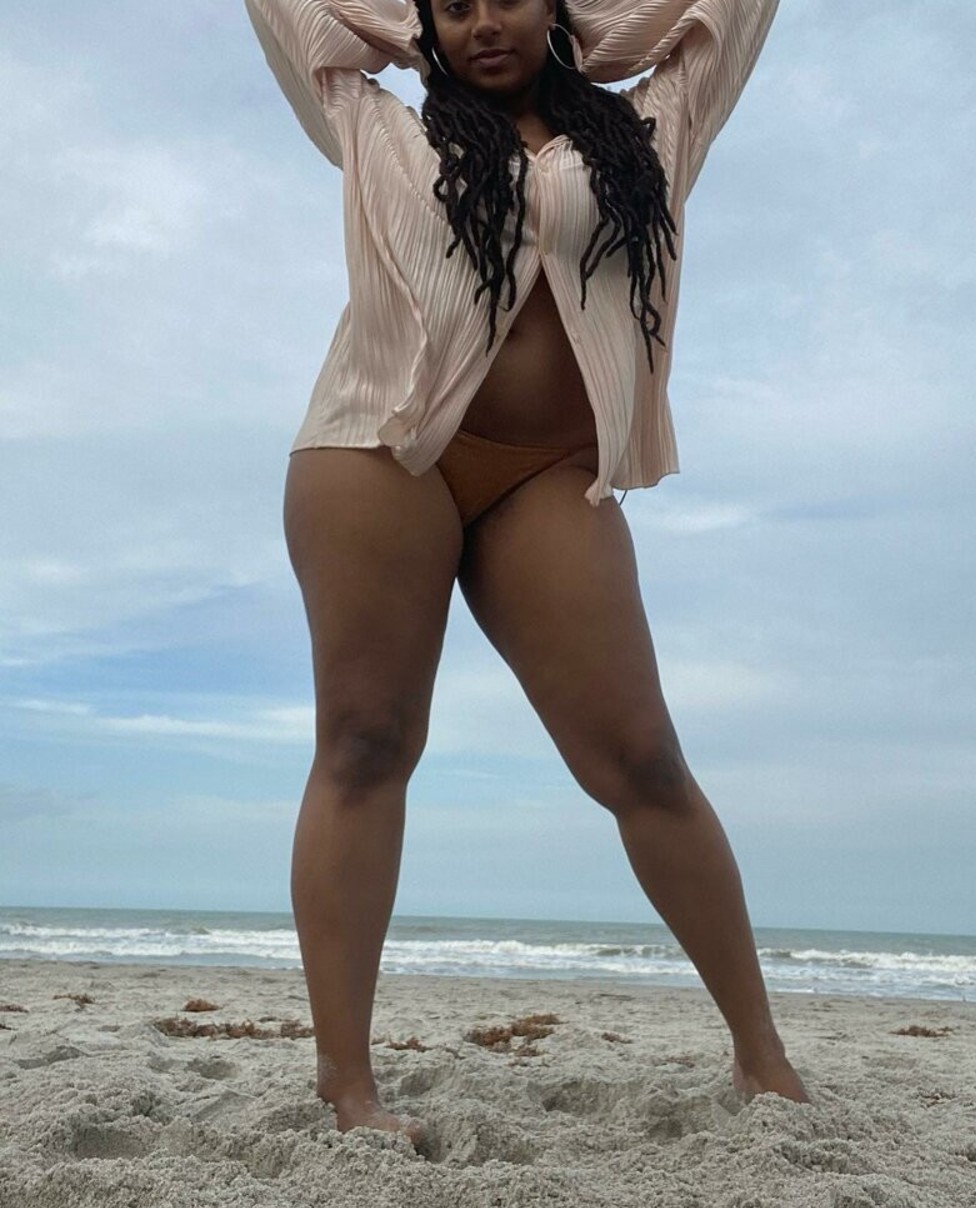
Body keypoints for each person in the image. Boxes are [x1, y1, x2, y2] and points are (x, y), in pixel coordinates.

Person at [245, 0, 810, 1143]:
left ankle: (764, 1061)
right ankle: (349, 1090)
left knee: (643, 757)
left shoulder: (651, 130)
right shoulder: (376, 125)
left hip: (546, 474)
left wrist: (598, 35)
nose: (482, 24)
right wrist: (411, 30)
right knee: (366, 742)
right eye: (455, 6)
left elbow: (733, 13)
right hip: (379, 449)